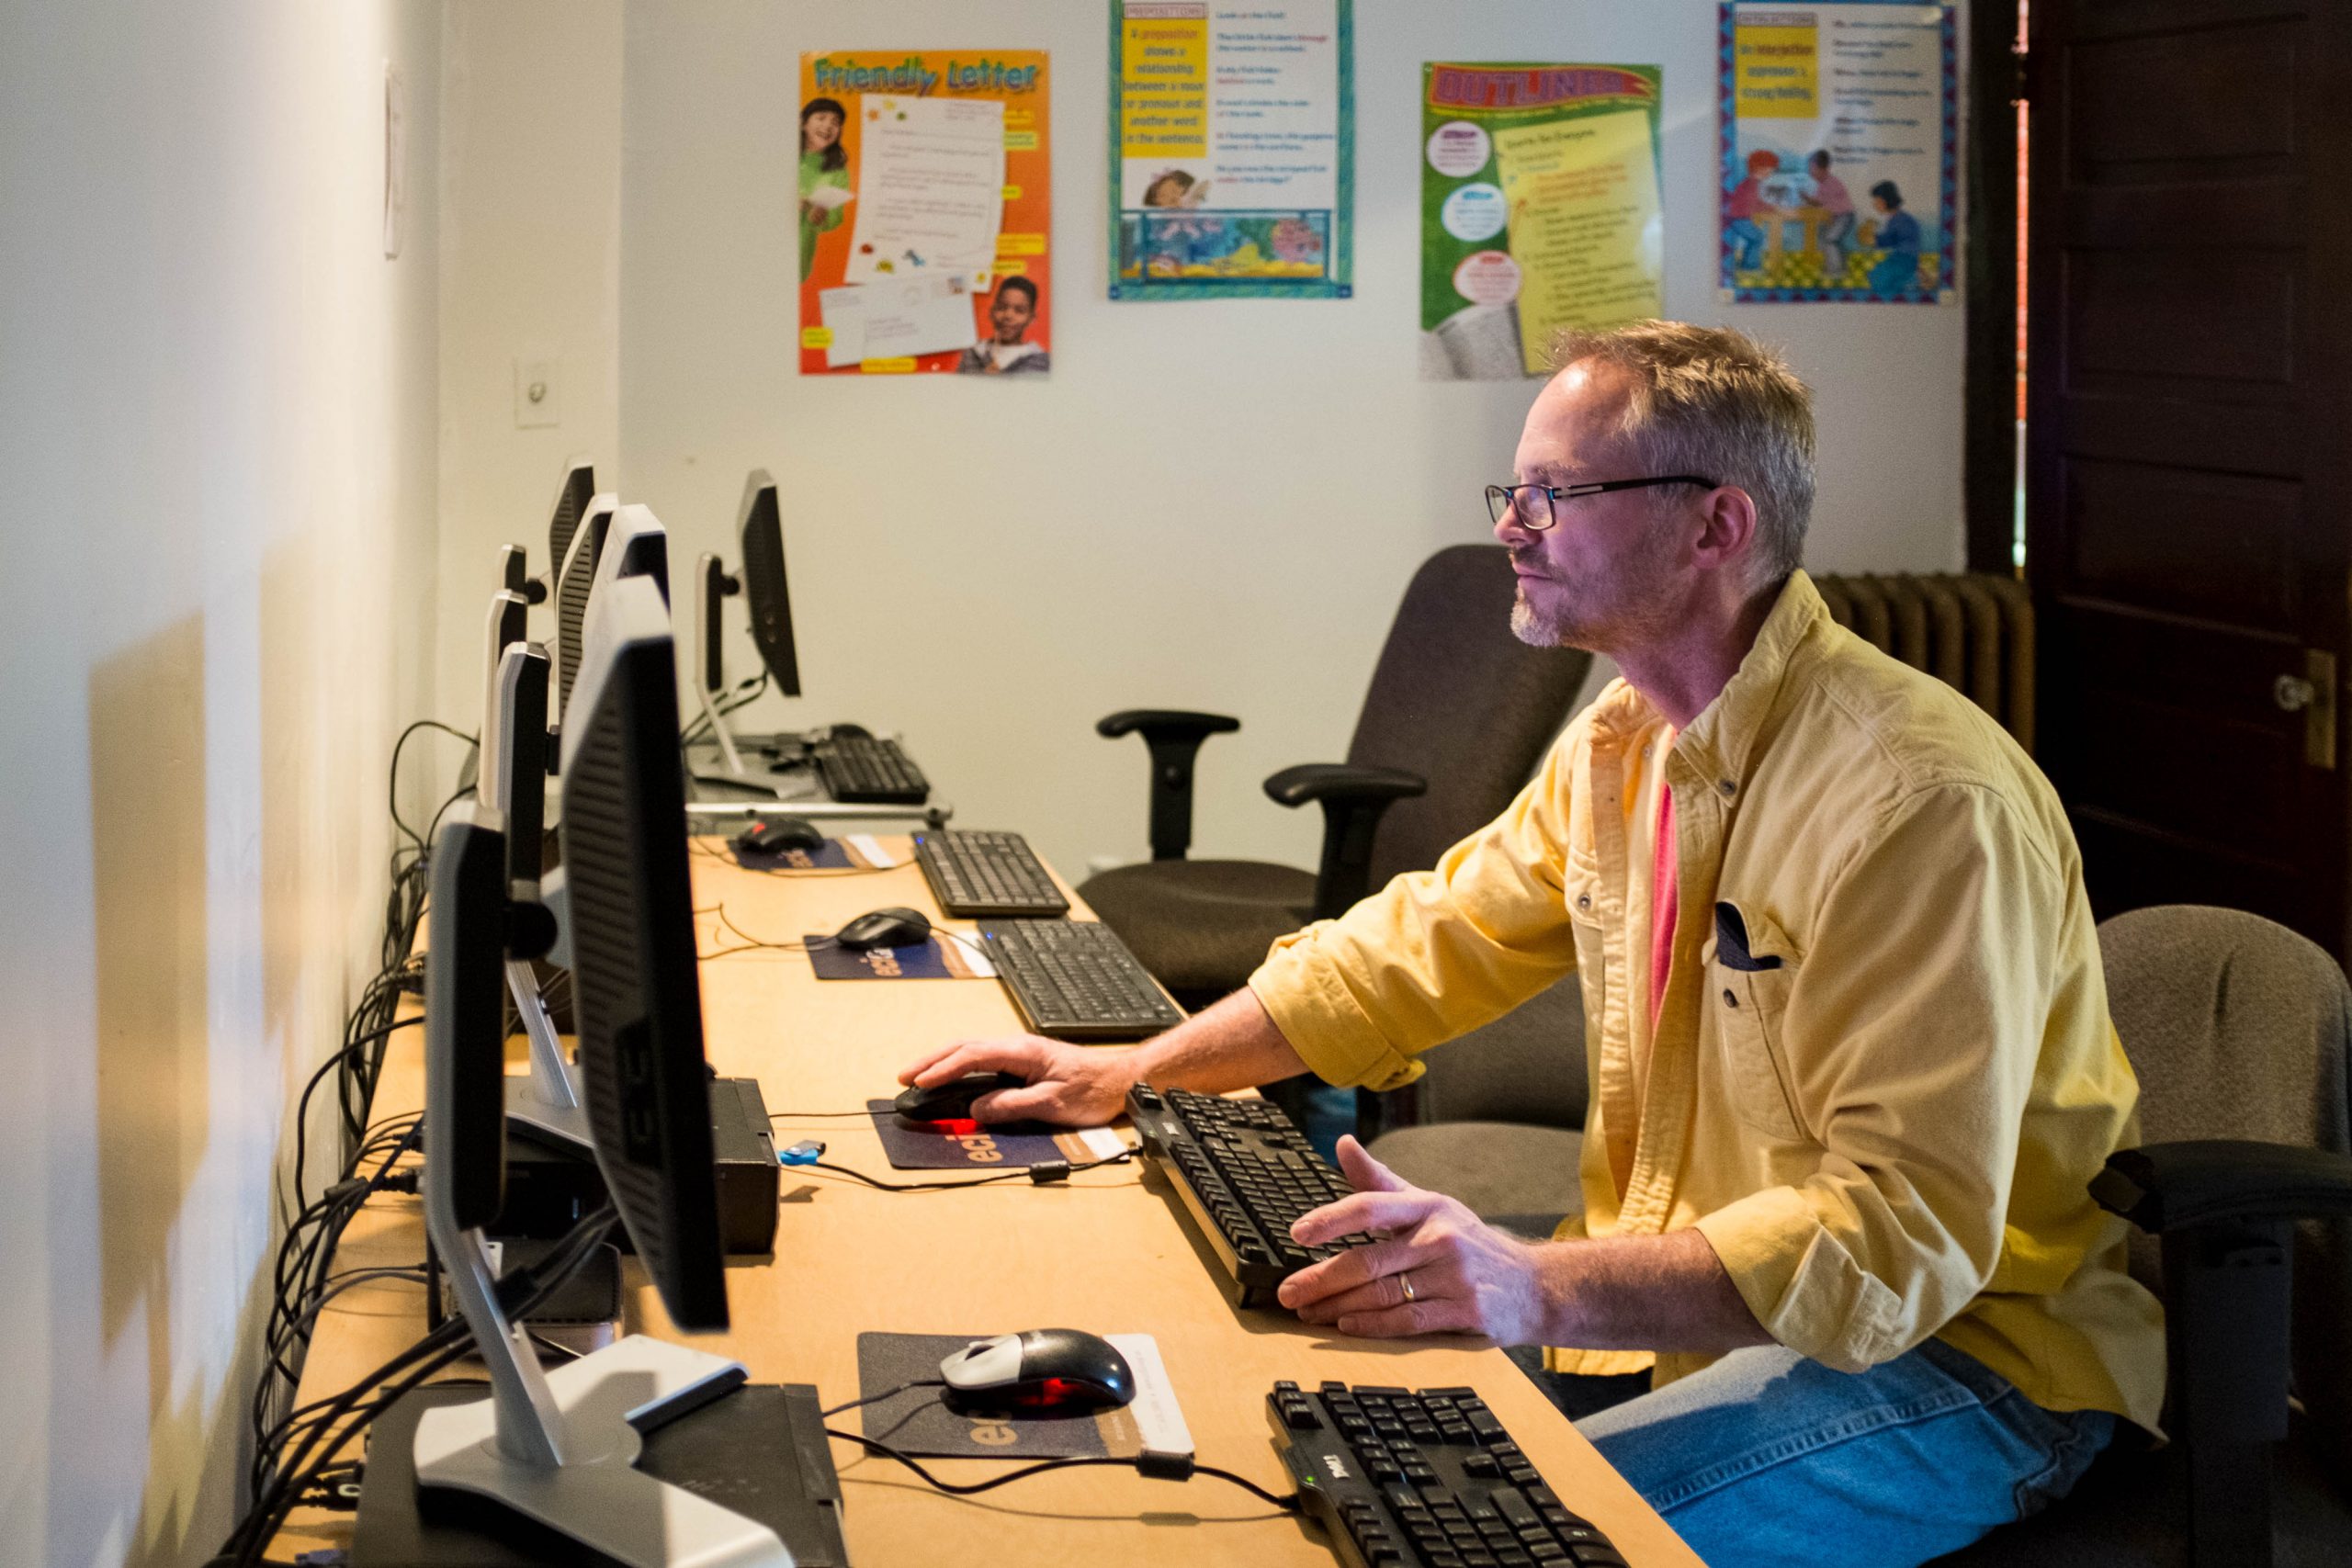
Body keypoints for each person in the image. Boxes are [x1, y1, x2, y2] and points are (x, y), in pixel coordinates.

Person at [900, 321, 2164, 1568]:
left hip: (1965, 1369)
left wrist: (1537, 1283)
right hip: (1720, 1327)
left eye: (1559, 493)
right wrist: (1129, 1071)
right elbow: (1420, 944)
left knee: (1485, 1537)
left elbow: (1901, 1236)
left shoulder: (1917, 801)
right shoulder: (1627, 737)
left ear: (1716, 526)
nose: (1514, 524)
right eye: (1518, 488)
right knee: (1301, 1438)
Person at [797, 96, 850, 283]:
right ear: (802, 123)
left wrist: (822, 216)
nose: (828, 126)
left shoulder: (838, 170)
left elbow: (836, 218)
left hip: (799, 261)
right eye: (821, 117)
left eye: (835, 122)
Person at [956, 276, 1050, 374]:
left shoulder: (1041, 362)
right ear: (992, 312)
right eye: (1001, 307)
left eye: (1019, 311)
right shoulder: (972, 354)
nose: (1008, 316)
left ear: (1031, 319)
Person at [1723, 150, 1779, 274]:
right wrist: (1768, 208)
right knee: (1757, 238)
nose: (1771, 173)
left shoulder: (1751, 183)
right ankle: (1750, 267)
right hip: (1738, 218)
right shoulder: (1751, 184)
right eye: (1770, 169)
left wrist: (1769, 207)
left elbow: (1755, 202)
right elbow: (1753, 204)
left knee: (1755, 238)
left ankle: (1748, 264)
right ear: (1760, 169)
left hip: (1739, 217)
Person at [1806, 150, 1857, 283]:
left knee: (1831, 240)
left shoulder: (1832, 182)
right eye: (1810, 169)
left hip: (1844, 217)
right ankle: (1836, 267)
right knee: (1825, 239)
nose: (1811, 172)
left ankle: (1836, 270)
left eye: (1813, 169)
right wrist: (1808, 199)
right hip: (1833, 218)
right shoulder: (1821, 185)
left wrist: (1816, 203)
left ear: (1825, 169)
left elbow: (1828, 204)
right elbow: (1818, 202)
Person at [1868, 178, 1923, 299]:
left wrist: (1875, 240)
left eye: (1877, 201)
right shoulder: (1897, 218)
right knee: (1875, 275)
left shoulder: (1901, 220)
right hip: (1901, 258)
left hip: (1905, 260)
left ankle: (1912, 280)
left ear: (1885, 202)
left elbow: (1890, 239)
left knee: (1878, 278)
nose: (1875, 205)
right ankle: (1909, 280)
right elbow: (1892, 238)